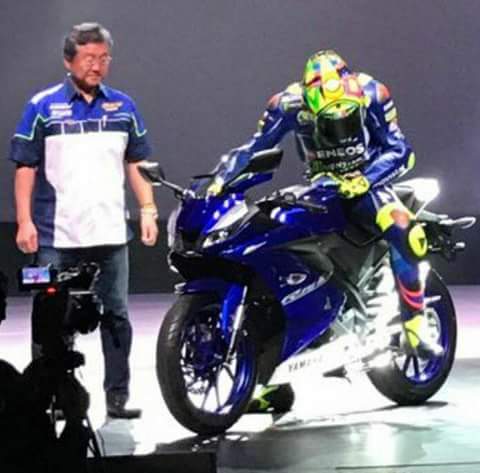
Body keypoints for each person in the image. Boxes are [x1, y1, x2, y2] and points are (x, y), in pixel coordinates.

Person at [207, 50, 442, 413]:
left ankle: (415, 325)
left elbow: (401, 151)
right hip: (321, 184)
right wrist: (221, 180)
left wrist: (365, 178)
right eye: (330, 120)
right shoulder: (286, 105)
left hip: (368, 181)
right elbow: (255, 148)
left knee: (403, 227)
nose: (341, 126)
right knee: (271, 244)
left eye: (347, 116)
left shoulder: (373, 93)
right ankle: (273, 372)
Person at [9, 22, 158, 419]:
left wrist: (147, 208)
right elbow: (25, 167)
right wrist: (24, 221)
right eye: (89, 58)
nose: (97, 65)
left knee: (116, 316)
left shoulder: (123, 107)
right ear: (68, 61)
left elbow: (137, 162)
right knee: (50, 319)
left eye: (104, 58)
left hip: (110, 235)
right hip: (56, 236)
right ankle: (51, 395)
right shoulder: (42, 107)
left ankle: (117, 396)